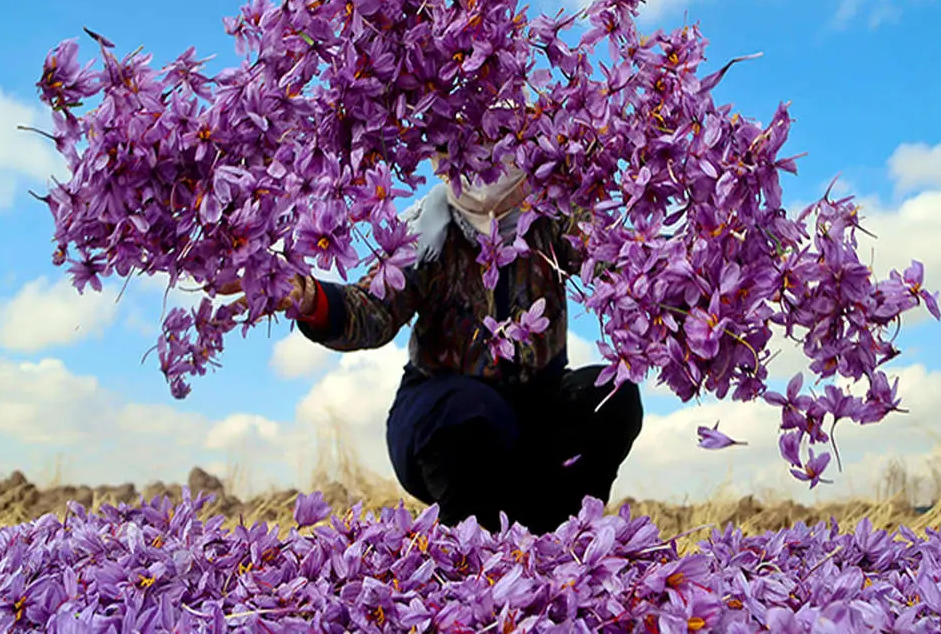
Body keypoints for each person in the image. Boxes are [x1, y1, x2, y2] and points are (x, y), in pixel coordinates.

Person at [232, 152, 643, 535]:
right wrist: (309, 298)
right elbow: (370, 310)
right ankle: (468, 548)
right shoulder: (424, 230)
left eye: (500, 144)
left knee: (613, 392)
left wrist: (672, 277)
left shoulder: (553, 218)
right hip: (441, 417)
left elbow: (621, 264)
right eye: (464, 148)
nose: (482, 165)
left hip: (535, 416)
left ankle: (558, 533)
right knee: (476, 410)